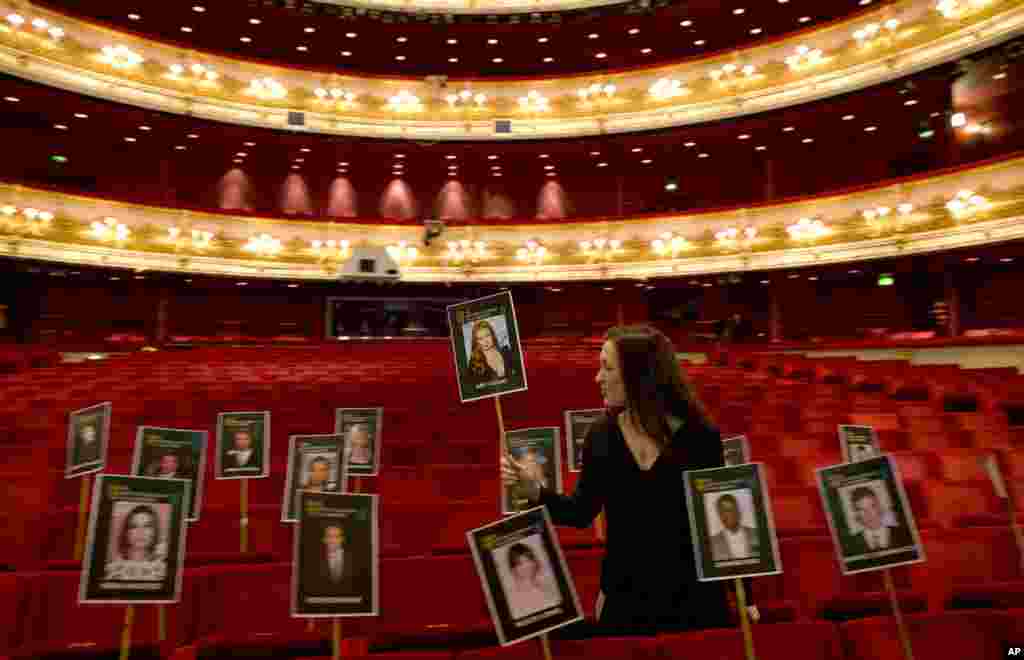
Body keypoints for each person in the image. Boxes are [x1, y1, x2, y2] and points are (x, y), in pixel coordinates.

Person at [502, 325, 758, 636]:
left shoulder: (701, 437)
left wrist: (745, 596)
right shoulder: (601, 435)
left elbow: (716, 519)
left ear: (639, 375)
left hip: (696, 602)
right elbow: (581, 512)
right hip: (626, 601)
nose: (598, 378)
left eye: (607, 367)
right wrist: (536, 492)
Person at [304, 523, 368, 597]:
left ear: (342, 539)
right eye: (329, 536)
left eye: (336, 537)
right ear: (324, 539)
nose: (333, 540)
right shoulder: (313, 561)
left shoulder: (355, 559)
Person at [845, 486, 912, 555]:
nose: (869, 514)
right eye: (861, 509)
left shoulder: (904, 533)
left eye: (872, 506)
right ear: (856, 513)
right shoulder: (850, 544)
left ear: (880, 507)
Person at [504, 542, 562, 620]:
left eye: (528, 560)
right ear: (513, 569)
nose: (526, 566)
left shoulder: (546, 586)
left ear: (534, 561)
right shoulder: (512, 597)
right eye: (520, 563)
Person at [709, 493, 760, 562]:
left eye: (728, 510)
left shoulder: (757, 534)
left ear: (738, 512)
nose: (725, 515)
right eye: (721, 512)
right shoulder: (712, 543)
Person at [467, 319, 516, 386]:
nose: (485, 341)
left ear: (492, 335)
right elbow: (474, 388)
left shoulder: (506, 351)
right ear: (476, 341)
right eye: (480, 338)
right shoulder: (474, 362)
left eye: (487, 335)